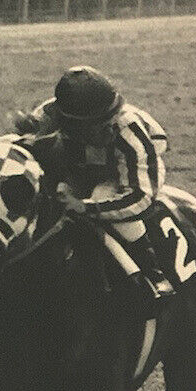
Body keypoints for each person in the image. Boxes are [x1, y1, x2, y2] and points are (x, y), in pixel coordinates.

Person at [15, 66, 177, 303]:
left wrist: (87, 207)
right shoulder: (48, 116)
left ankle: (152, 272)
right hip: (77, 163)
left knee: (104, 198)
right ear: (69, 121)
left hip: (125, 171)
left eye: (110, 117)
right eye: (98, 122)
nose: (108, 126)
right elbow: (22, 146)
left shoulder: (129, 131)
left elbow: (140, 198)